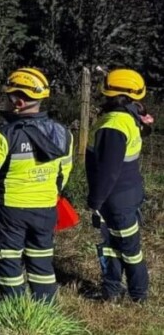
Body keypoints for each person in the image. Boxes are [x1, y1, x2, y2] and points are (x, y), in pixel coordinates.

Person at [0, 68, 73, 301]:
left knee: (7, 260)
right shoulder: (64, 134)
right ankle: (45, 311)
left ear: (17, 101)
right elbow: (64, 173)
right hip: (47, 209)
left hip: (10, 209)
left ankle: (15, 308)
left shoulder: (2, 135)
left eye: (8, 96)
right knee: (41, 262)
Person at [87, 69, 152, 303]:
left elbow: (108, 171)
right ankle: (118, 292)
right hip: (129, 191)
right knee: (119, 244)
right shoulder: (130, 116)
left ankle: (132, 294)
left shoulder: (114, 125)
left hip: (115, 198)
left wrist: (95, 201)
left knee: (124, 246)